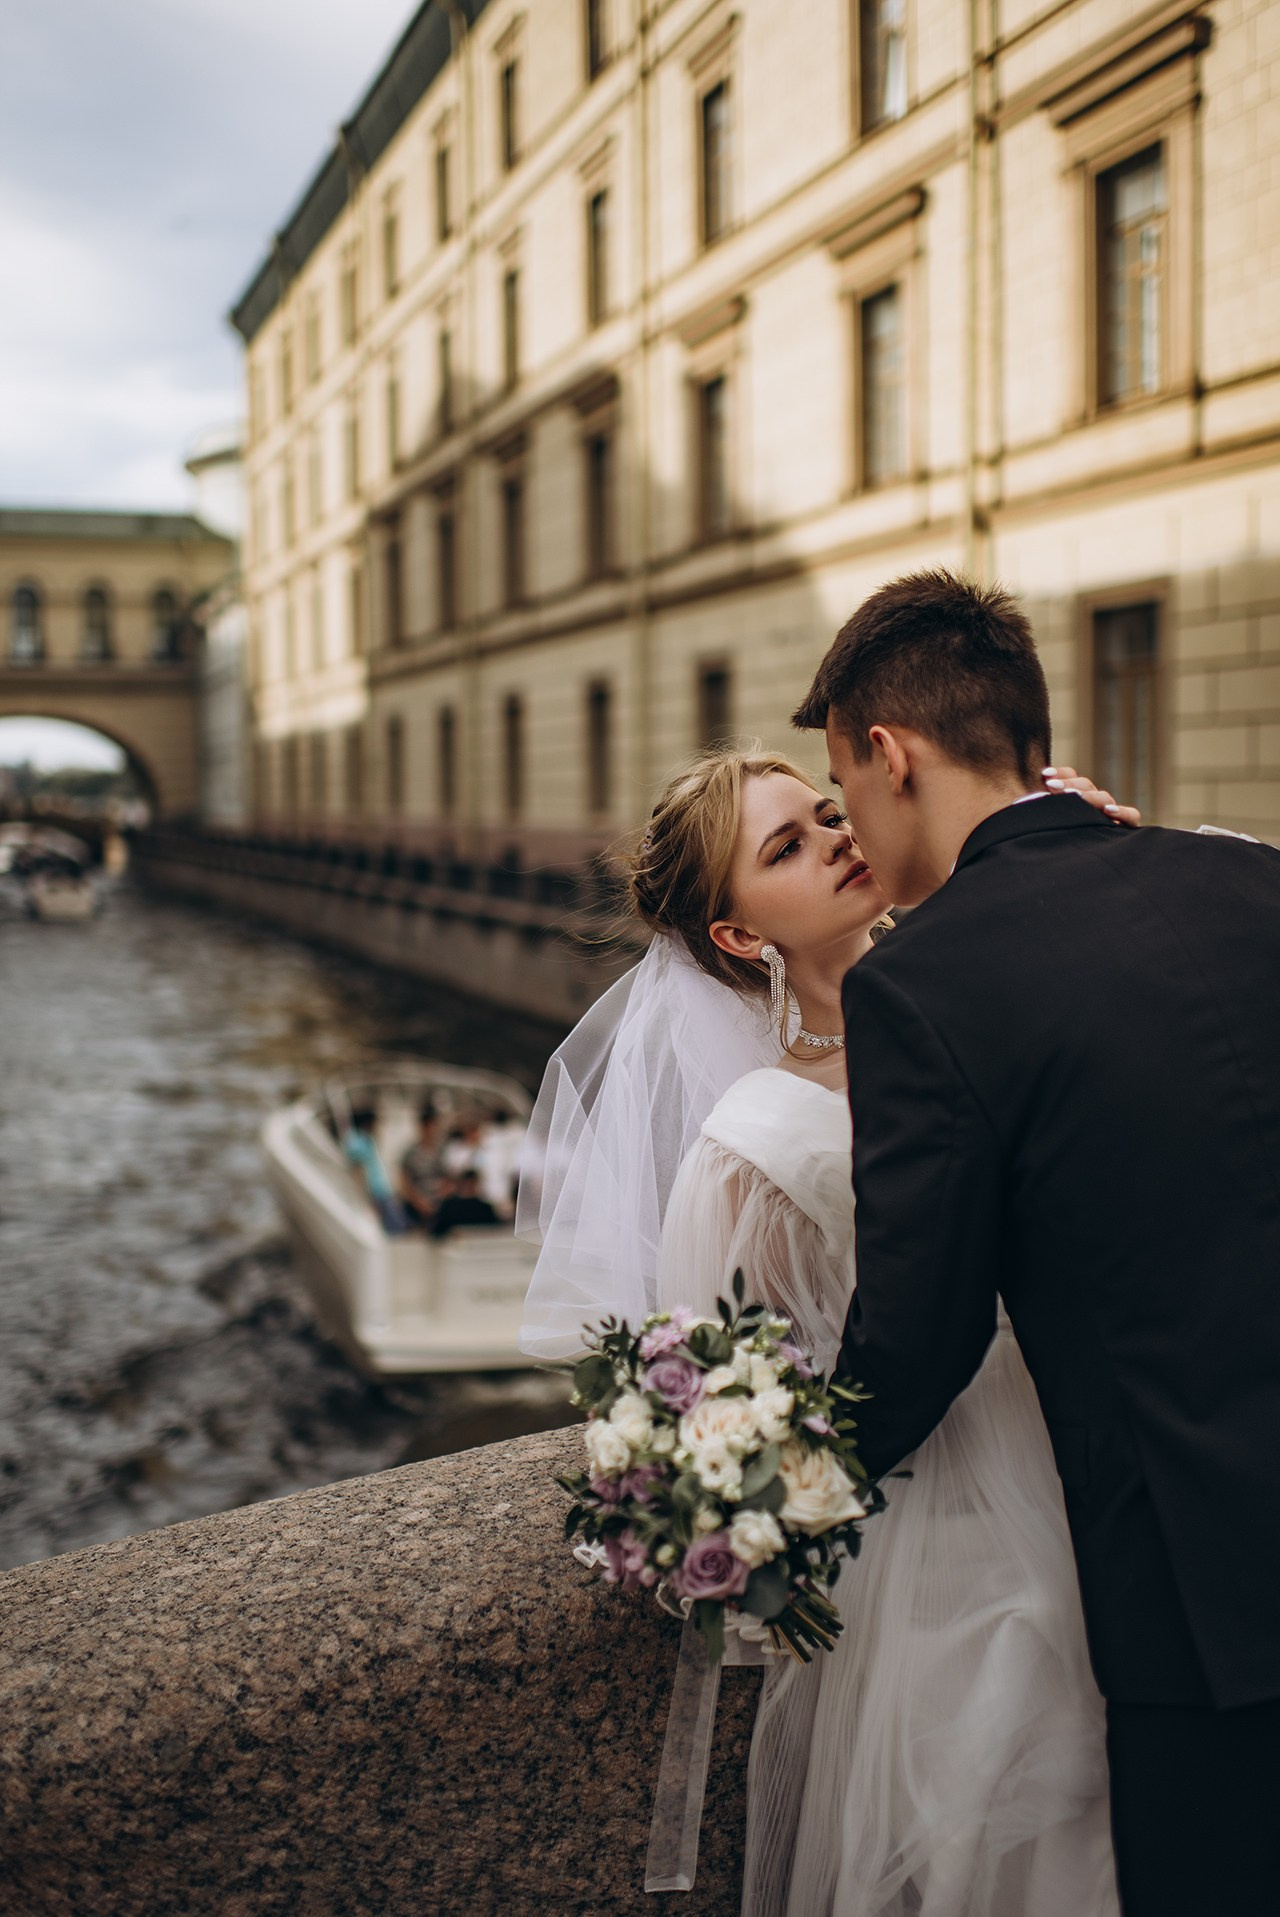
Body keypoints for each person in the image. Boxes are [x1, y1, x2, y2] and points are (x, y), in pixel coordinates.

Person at [520, 745, 1133, 1915]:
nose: (834, 839)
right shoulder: (754, 1138)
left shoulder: (991, 982)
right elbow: (747, 1372)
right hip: (947, 1530)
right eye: (784, 848)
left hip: (1095, 1452)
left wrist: (1093, 858)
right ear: (740, 937)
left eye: (823, 813)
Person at [794, 569, 1280, 1917]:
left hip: (1202, 1594)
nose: (850, 831)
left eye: (840, 789)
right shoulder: (1251, 878)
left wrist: (768, 1493)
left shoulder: (922, 981)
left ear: (890, 757)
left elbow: (920, 1330)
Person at [341, 1106, 410, 1236]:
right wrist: (366, 1198)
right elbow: (358, 1172)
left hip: (383, 1191)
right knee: (394, 1228)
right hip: (375, 1193)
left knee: (398, 1224)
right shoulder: (357, 1143)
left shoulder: (369, 1140)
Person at [399, 1103, 445, 1227]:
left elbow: (449, 1180)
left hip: (440, 1205)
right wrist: (420, 1203)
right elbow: (405, 1184)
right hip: (417, 1207)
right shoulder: (410, 1153)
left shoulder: (442, 1151)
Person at [431, 1168, 502, 1239]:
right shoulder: (449, 1206)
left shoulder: (485, 1208)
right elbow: (437, 1231)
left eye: (472, 1183)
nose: (469, 1185)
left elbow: (495, 1230)